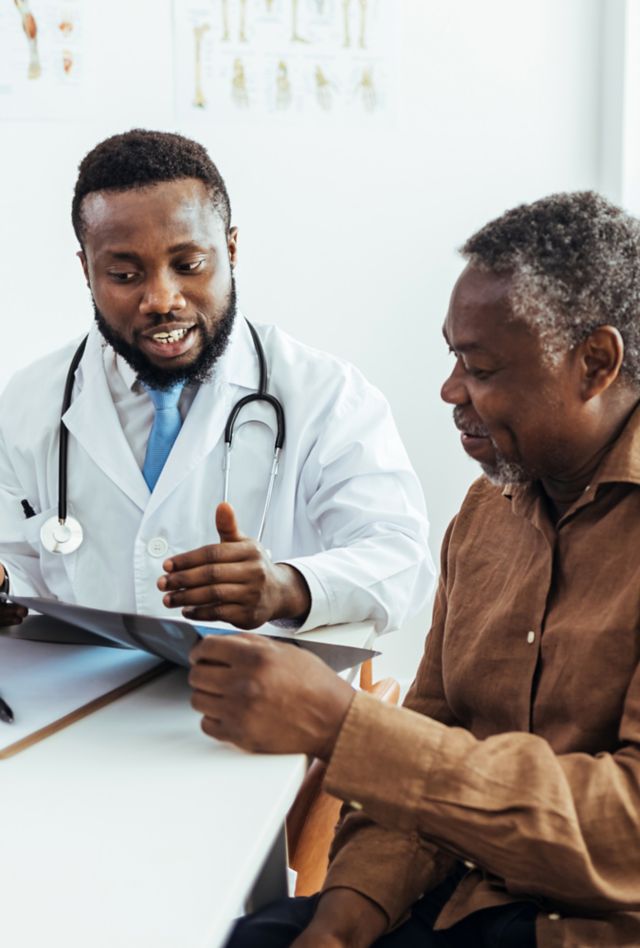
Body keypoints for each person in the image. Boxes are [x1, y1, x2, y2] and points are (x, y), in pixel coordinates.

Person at [189, 191, 640, 947]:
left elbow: (627, 830)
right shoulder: (487, 513)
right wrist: (343, 918)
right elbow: (435, 729)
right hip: (457, 897)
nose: (450, 391)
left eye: (481, 366)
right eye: (452, 356)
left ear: (594, 363)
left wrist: (345, 727)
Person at [0, 129, 432, 635]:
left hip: (265, 704)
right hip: (89, 707)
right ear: (87, 270)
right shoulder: (30, 402)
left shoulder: (327, 395)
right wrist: (6, 579)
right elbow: (24, 562)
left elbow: (401, 558)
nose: (161, 298)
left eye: (189, 265)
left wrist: (285, 587)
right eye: (123, 274)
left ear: (230, 249)